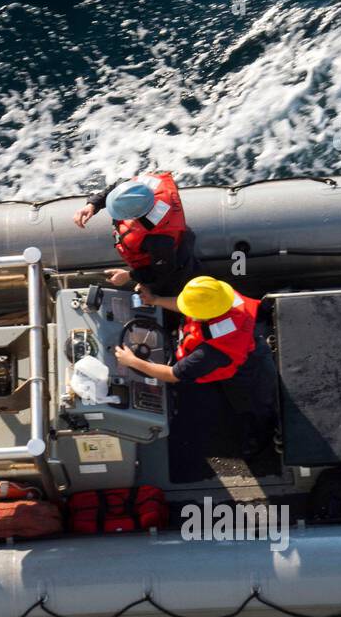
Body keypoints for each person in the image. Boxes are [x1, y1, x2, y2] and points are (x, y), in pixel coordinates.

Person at [114, 276, 277, 456]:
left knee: (255, 406)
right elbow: (187, 306)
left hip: (245, 367)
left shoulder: (212, 350)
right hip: (248, 338)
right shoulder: (219, 297)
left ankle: (261, 440)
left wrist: (132, 361)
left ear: (204, 315)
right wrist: (155, 300)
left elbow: (172, 374)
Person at [73, 170, 199, 296]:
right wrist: (93, 205)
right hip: (164, 245)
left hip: (172, 261)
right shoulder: (138, 188)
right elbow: (117, 185)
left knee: (168, 286)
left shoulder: (158, 239)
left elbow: (164, 271)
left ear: (136, 215)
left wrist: (130, 276)